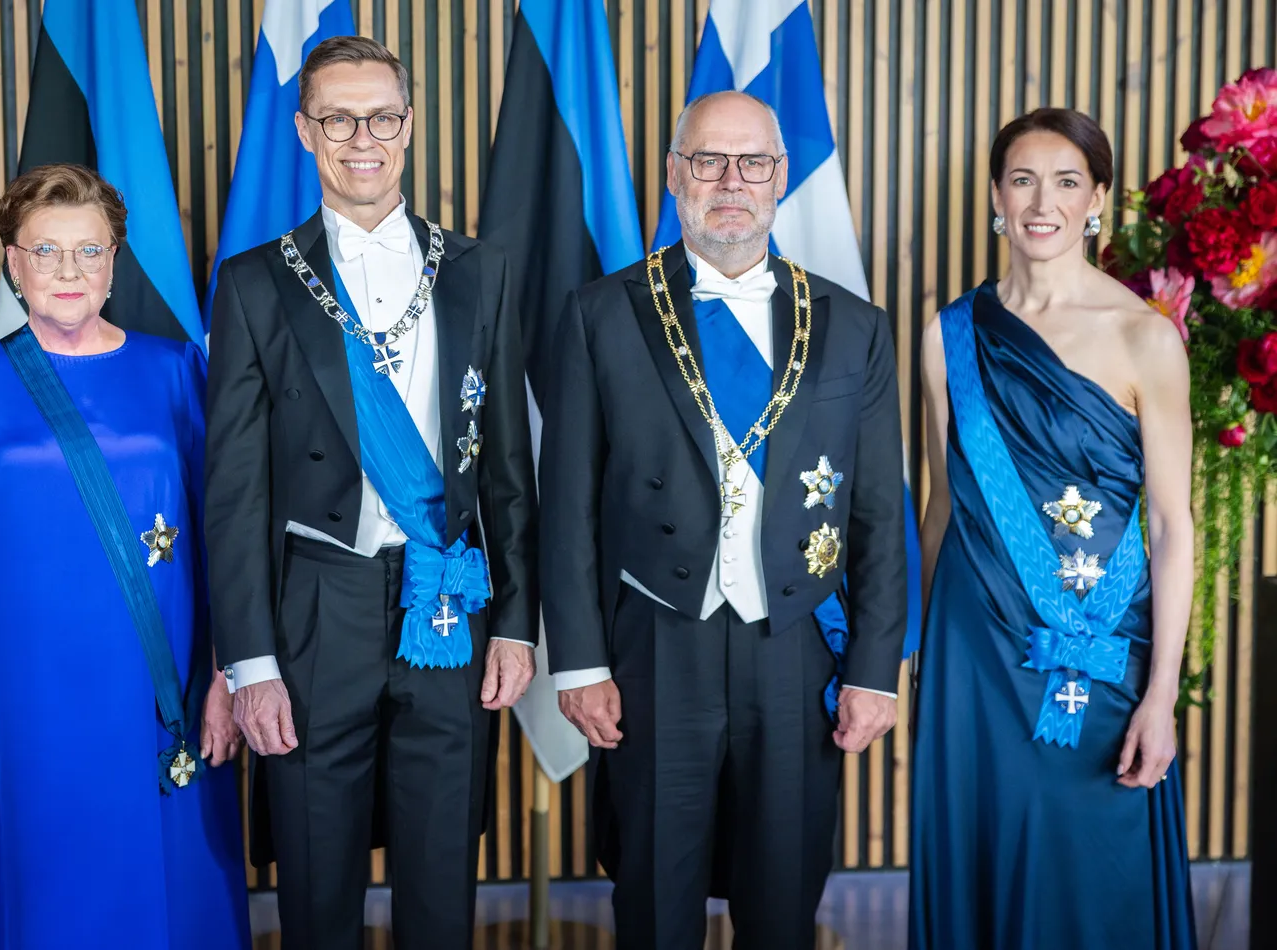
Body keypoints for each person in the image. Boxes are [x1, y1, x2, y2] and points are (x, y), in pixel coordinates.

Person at [539, 90, 908, 950]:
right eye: (708, 160)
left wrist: (875, 670)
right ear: (674, 176)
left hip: (797, 649)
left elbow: (879, 517)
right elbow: (566, 508)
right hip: (656, 649)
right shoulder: (601, 315)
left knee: (782, 902)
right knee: (655, 901)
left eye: (752, 163)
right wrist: (581, 662)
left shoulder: (855, 329)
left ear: (782, 177)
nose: (730, 181)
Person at [204, 35, 539, 949]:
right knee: (318, 886)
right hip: (319, 608)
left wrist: (514, 619)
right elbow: (232, 491)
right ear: (306, 131)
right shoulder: (257, 284)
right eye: (338, 118)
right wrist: (252, 664)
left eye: (381, 116)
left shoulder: (480, 268)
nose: (363, 137)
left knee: (442, 883)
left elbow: (508, 465)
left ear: (410, 124)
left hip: (448, 602)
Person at [0, 163, 250, 949]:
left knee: (173, 897)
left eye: (89, 251)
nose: (68, 271)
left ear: (115, 261)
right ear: (13, 264)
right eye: (46, 251)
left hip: (165, 699)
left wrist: (229, 678)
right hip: (26, 707)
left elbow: (225, 537)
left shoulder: (177, 370)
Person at [910, 107, 1197, 948]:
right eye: (1023, 180)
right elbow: (940, 507)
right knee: (982, 858)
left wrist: (1163, 692)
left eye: (1067, 181)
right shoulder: (948, 337)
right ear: (997, 197)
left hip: (1106, 652)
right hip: (972, 655)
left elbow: (1175, 529)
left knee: (1097, 869)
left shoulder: (1147, 337)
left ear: (1097, 198)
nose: (1044, 201)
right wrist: (915, 664)